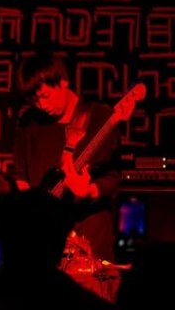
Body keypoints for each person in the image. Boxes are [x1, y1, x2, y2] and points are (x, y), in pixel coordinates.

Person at [11, 50, 122, 264]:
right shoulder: (29, 122)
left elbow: (116, 175)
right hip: (45, 236)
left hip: (90, 230)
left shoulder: (100, 117)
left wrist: (89, 190)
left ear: (63, 82)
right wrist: (30, 215)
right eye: (34, 100)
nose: (42, 106)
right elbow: (20, 176)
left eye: (45, 96)